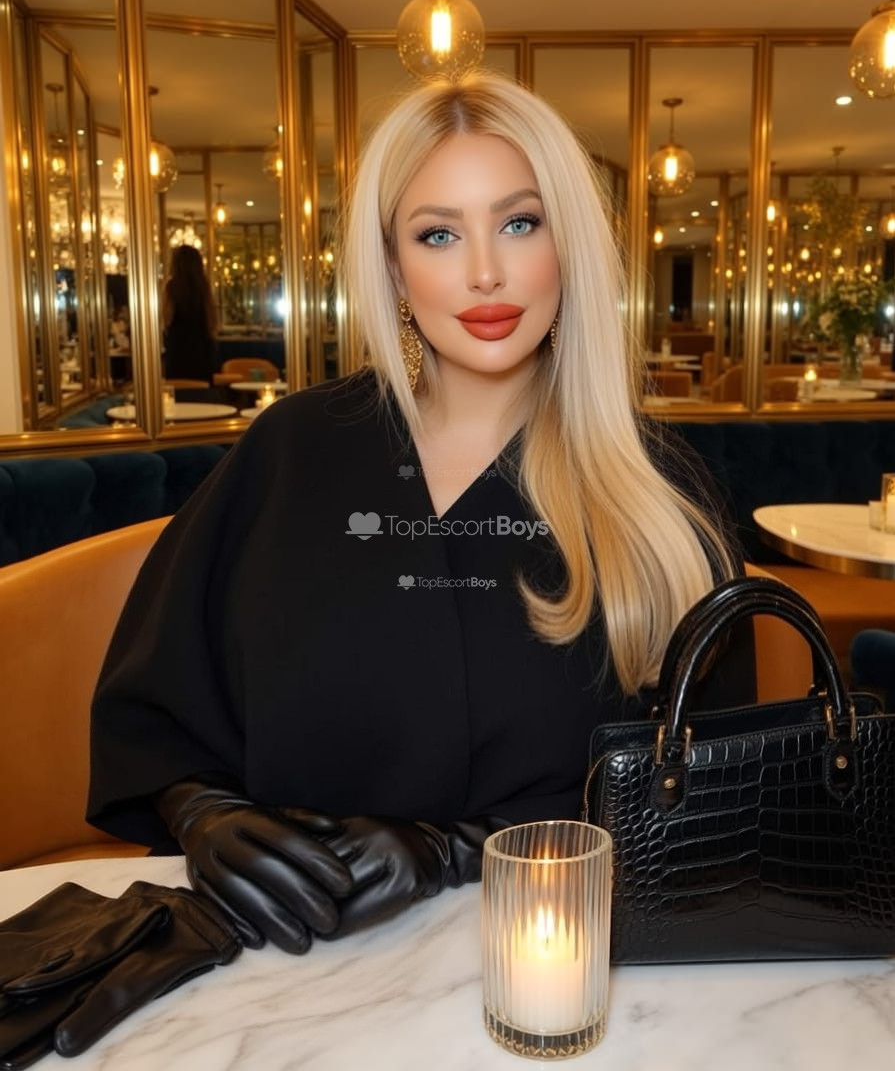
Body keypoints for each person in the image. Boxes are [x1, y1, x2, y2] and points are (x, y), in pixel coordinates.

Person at [87, 71, 753, 958]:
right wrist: (200, 811)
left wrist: (460, 851)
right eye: (438, 233)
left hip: (554, 961)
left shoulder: (661, 496)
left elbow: (706, 796)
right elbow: (155, 699)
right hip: (281, 964)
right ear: (395, 269)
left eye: (520, 223)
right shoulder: (291, 450)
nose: (484, 271)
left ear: (570, 245)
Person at [161, 244, 218, 383]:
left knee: (180, 388)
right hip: (202, 348)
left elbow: (167, 317)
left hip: (178, 348)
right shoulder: (204, 287)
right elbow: (212, 319)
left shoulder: (171, 287)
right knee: (202, 389)